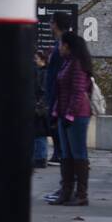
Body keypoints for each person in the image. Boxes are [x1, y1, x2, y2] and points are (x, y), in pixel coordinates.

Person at [48, 31, 94, 206]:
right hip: (63, 113)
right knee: (66, 154)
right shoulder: (67, 63)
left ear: (67, 46)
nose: (58, 48)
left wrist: (69, 114)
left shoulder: (77, 64)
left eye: (60, 44)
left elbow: (77, 92)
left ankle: (81, 194)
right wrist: (55, 112)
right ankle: (66, 191)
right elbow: (62, 92)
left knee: (78, 153)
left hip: (77, 115)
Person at [43, 12, 72, 168]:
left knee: (56, 123)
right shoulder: (58, 43)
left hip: (57, 91)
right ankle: (58, 152)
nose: (49, 24)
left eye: (51, 22)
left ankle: (60, 153)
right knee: (53, 123)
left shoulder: (63, 43)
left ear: (56, 24)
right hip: (54, 89)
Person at [32, 50, 50, 168]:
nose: (34, 60)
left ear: (42, 59)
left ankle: (40, 157)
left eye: (36, 58)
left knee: (40, 133)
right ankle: (39, 157)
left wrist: (39, 105)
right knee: (37, 132)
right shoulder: (39, 72)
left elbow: (43, 91)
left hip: (40, 108)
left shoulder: (44, 73)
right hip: (38, 106)